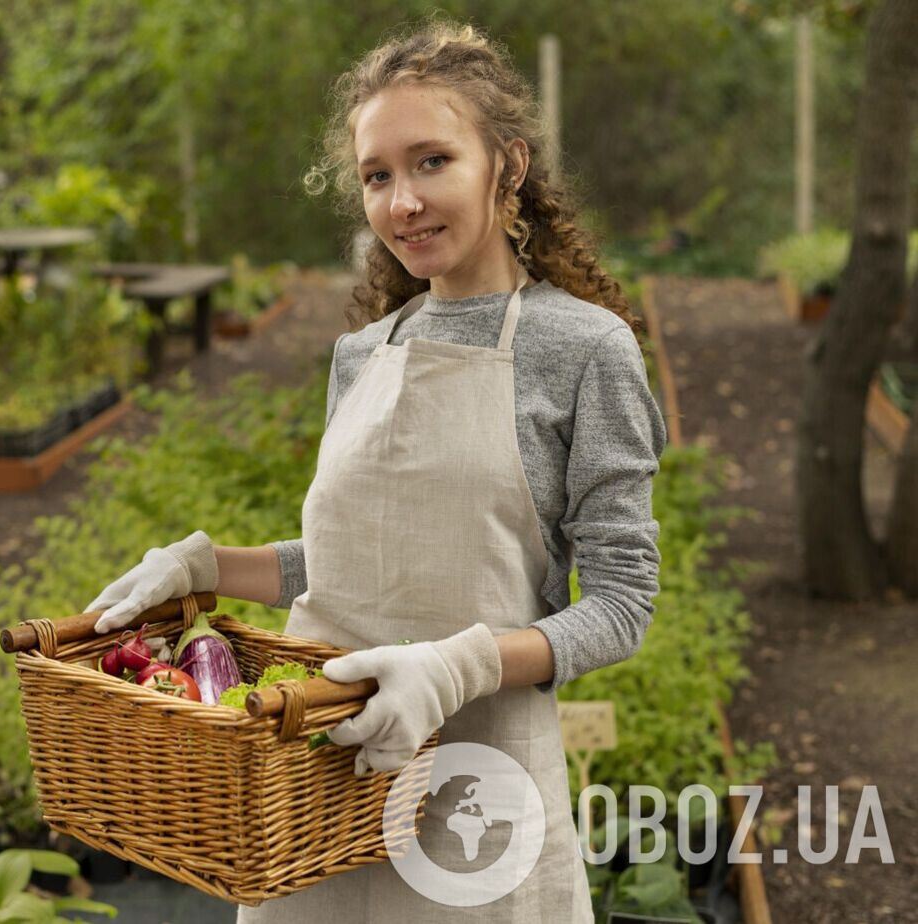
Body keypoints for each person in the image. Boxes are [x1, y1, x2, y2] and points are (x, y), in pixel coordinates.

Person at [85, 19, 667, 923]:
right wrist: (202, 566)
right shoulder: (363, 353)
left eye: (432, 161)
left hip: (475, 781)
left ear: (508, 166)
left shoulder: (585, 350)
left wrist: (455, 667)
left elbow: (622, 604)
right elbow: (352, 562)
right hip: (313, 781)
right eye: (378, 176)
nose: (403, 202)